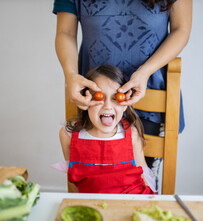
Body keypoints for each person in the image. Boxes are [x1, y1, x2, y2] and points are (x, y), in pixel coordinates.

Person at [53, 0, 192, 191]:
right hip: (93, 97)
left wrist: (145, 71)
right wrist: (71, 75)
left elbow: (181, 29)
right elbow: (65, 32)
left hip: (150, 95)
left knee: (144, 176)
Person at [55, 65, 156, 194]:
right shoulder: (68, 135)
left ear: (125, 104)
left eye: (116, 98)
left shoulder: (132, 134)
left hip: (132, 200)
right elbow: (75, 183)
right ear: (85, 100)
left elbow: (144, 175)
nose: (108, 106)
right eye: (99, 97)